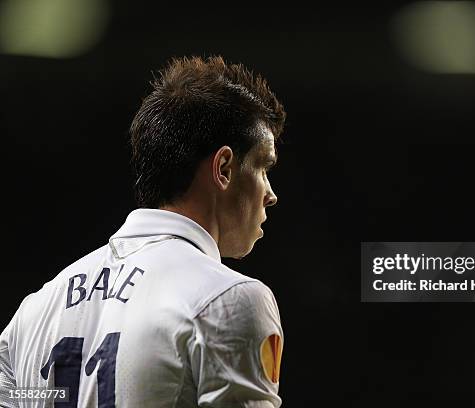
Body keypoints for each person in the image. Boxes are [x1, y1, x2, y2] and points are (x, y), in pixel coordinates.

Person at [0, 55, 286, 407]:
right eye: (263, 167)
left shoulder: (31, 315)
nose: (270, 194)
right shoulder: (230, 301)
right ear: (224, 168)